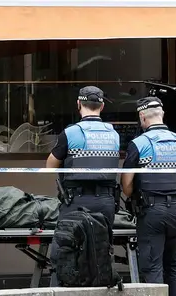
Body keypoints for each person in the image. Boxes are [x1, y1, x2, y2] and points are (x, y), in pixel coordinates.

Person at [46, 86, 121, 285]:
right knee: (100, 254)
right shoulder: (114, 134)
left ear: (78, 104)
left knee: (65, 252)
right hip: (106, 202)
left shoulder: (70, 133)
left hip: (76, 201)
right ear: (102, 106)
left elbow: (50, 165)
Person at [121, 97, 176, 296]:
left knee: (152, 266)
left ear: (142, 116)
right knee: (175, 265)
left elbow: (126, 186)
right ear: (162, 115)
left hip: (151, 212)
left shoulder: (138, 143)